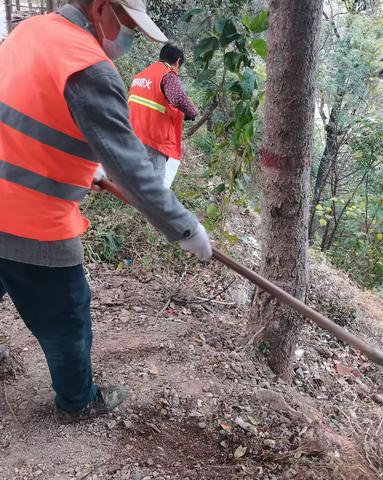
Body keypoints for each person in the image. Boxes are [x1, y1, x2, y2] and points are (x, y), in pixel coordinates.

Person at [0, 0, 211, 422]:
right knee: (68, 318)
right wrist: (185, 228)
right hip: (31, 221)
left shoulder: (29, 31)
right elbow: (133, 169)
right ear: (100, 8)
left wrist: (84, 164)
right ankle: (77, 402)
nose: (129, 36)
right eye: (128, 23)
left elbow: (32, 108)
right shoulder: (89, 66)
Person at [128, 43, 198, 189]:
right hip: (153, 139)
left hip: (134, 133)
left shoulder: (142, 74)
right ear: (177, 62)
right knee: (157, 188)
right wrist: (192, 112)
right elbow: (177, 98)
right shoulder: (167, 75)